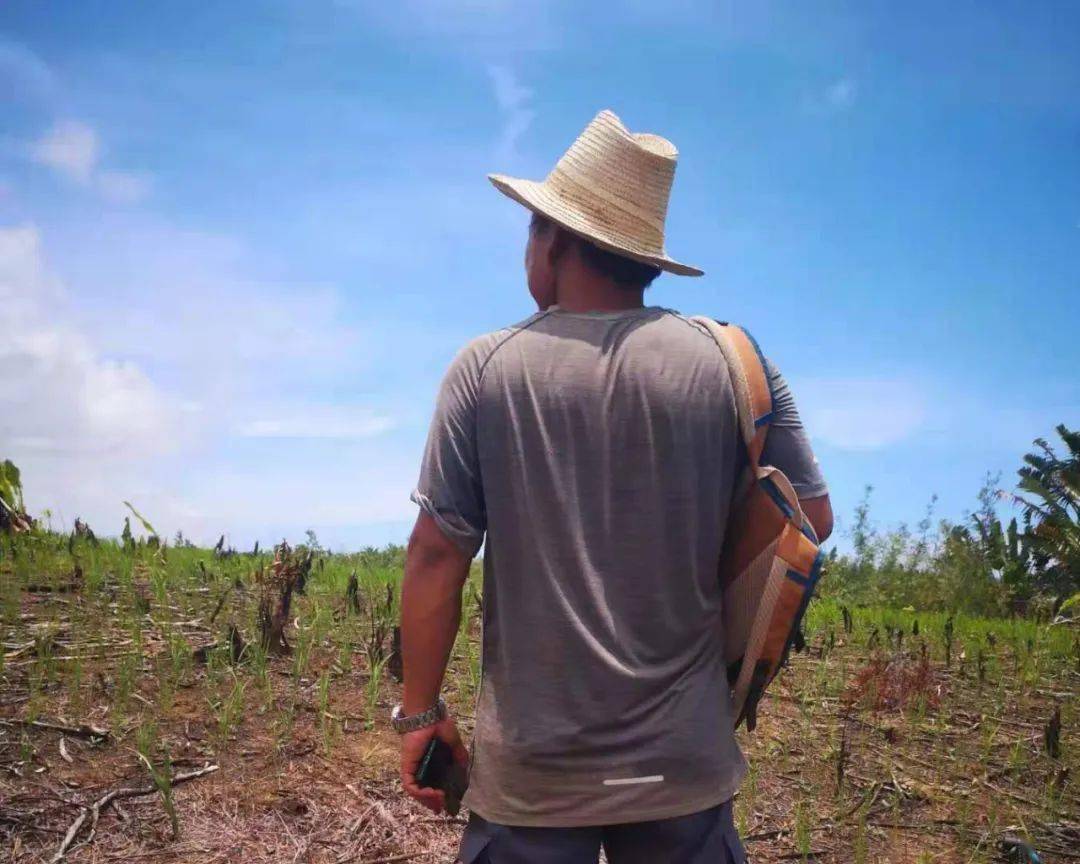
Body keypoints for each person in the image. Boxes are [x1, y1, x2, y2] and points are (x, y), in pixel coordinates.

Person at [394, 109, 833, 864]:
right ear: (643, 258)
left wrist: (420, 716)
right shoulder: (733, 364)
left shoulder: (487, 370)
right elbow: (810, 519)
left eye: (533, 229)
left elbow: (437, 555)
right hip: (685, 765)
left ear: (557, 238)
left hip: (534, 777)